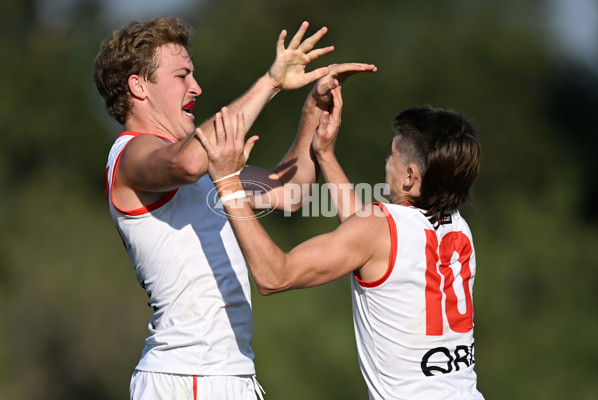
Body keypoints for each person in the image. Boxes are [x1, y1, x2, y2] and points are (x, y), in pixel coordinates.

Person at [94, 16, 377, 400]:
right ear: (138, 86)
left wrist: (313, 110)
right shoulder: (130, 154)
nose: (196, 86)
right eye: (182, 76)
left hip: (230, 374)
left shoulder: (209, 165)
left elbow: (289, 191)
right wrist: (271, 82)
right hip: (186, 377)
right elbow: (191, 162)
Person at [198, 86, 485, 399]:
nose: (387, 162)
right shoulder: (457, 226)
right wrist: (324, 153)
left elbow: (274, 276)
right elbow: (366, 239)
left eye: (393, 155)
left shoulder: (378, 229)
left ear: (410, 178)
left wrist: (227, 182)